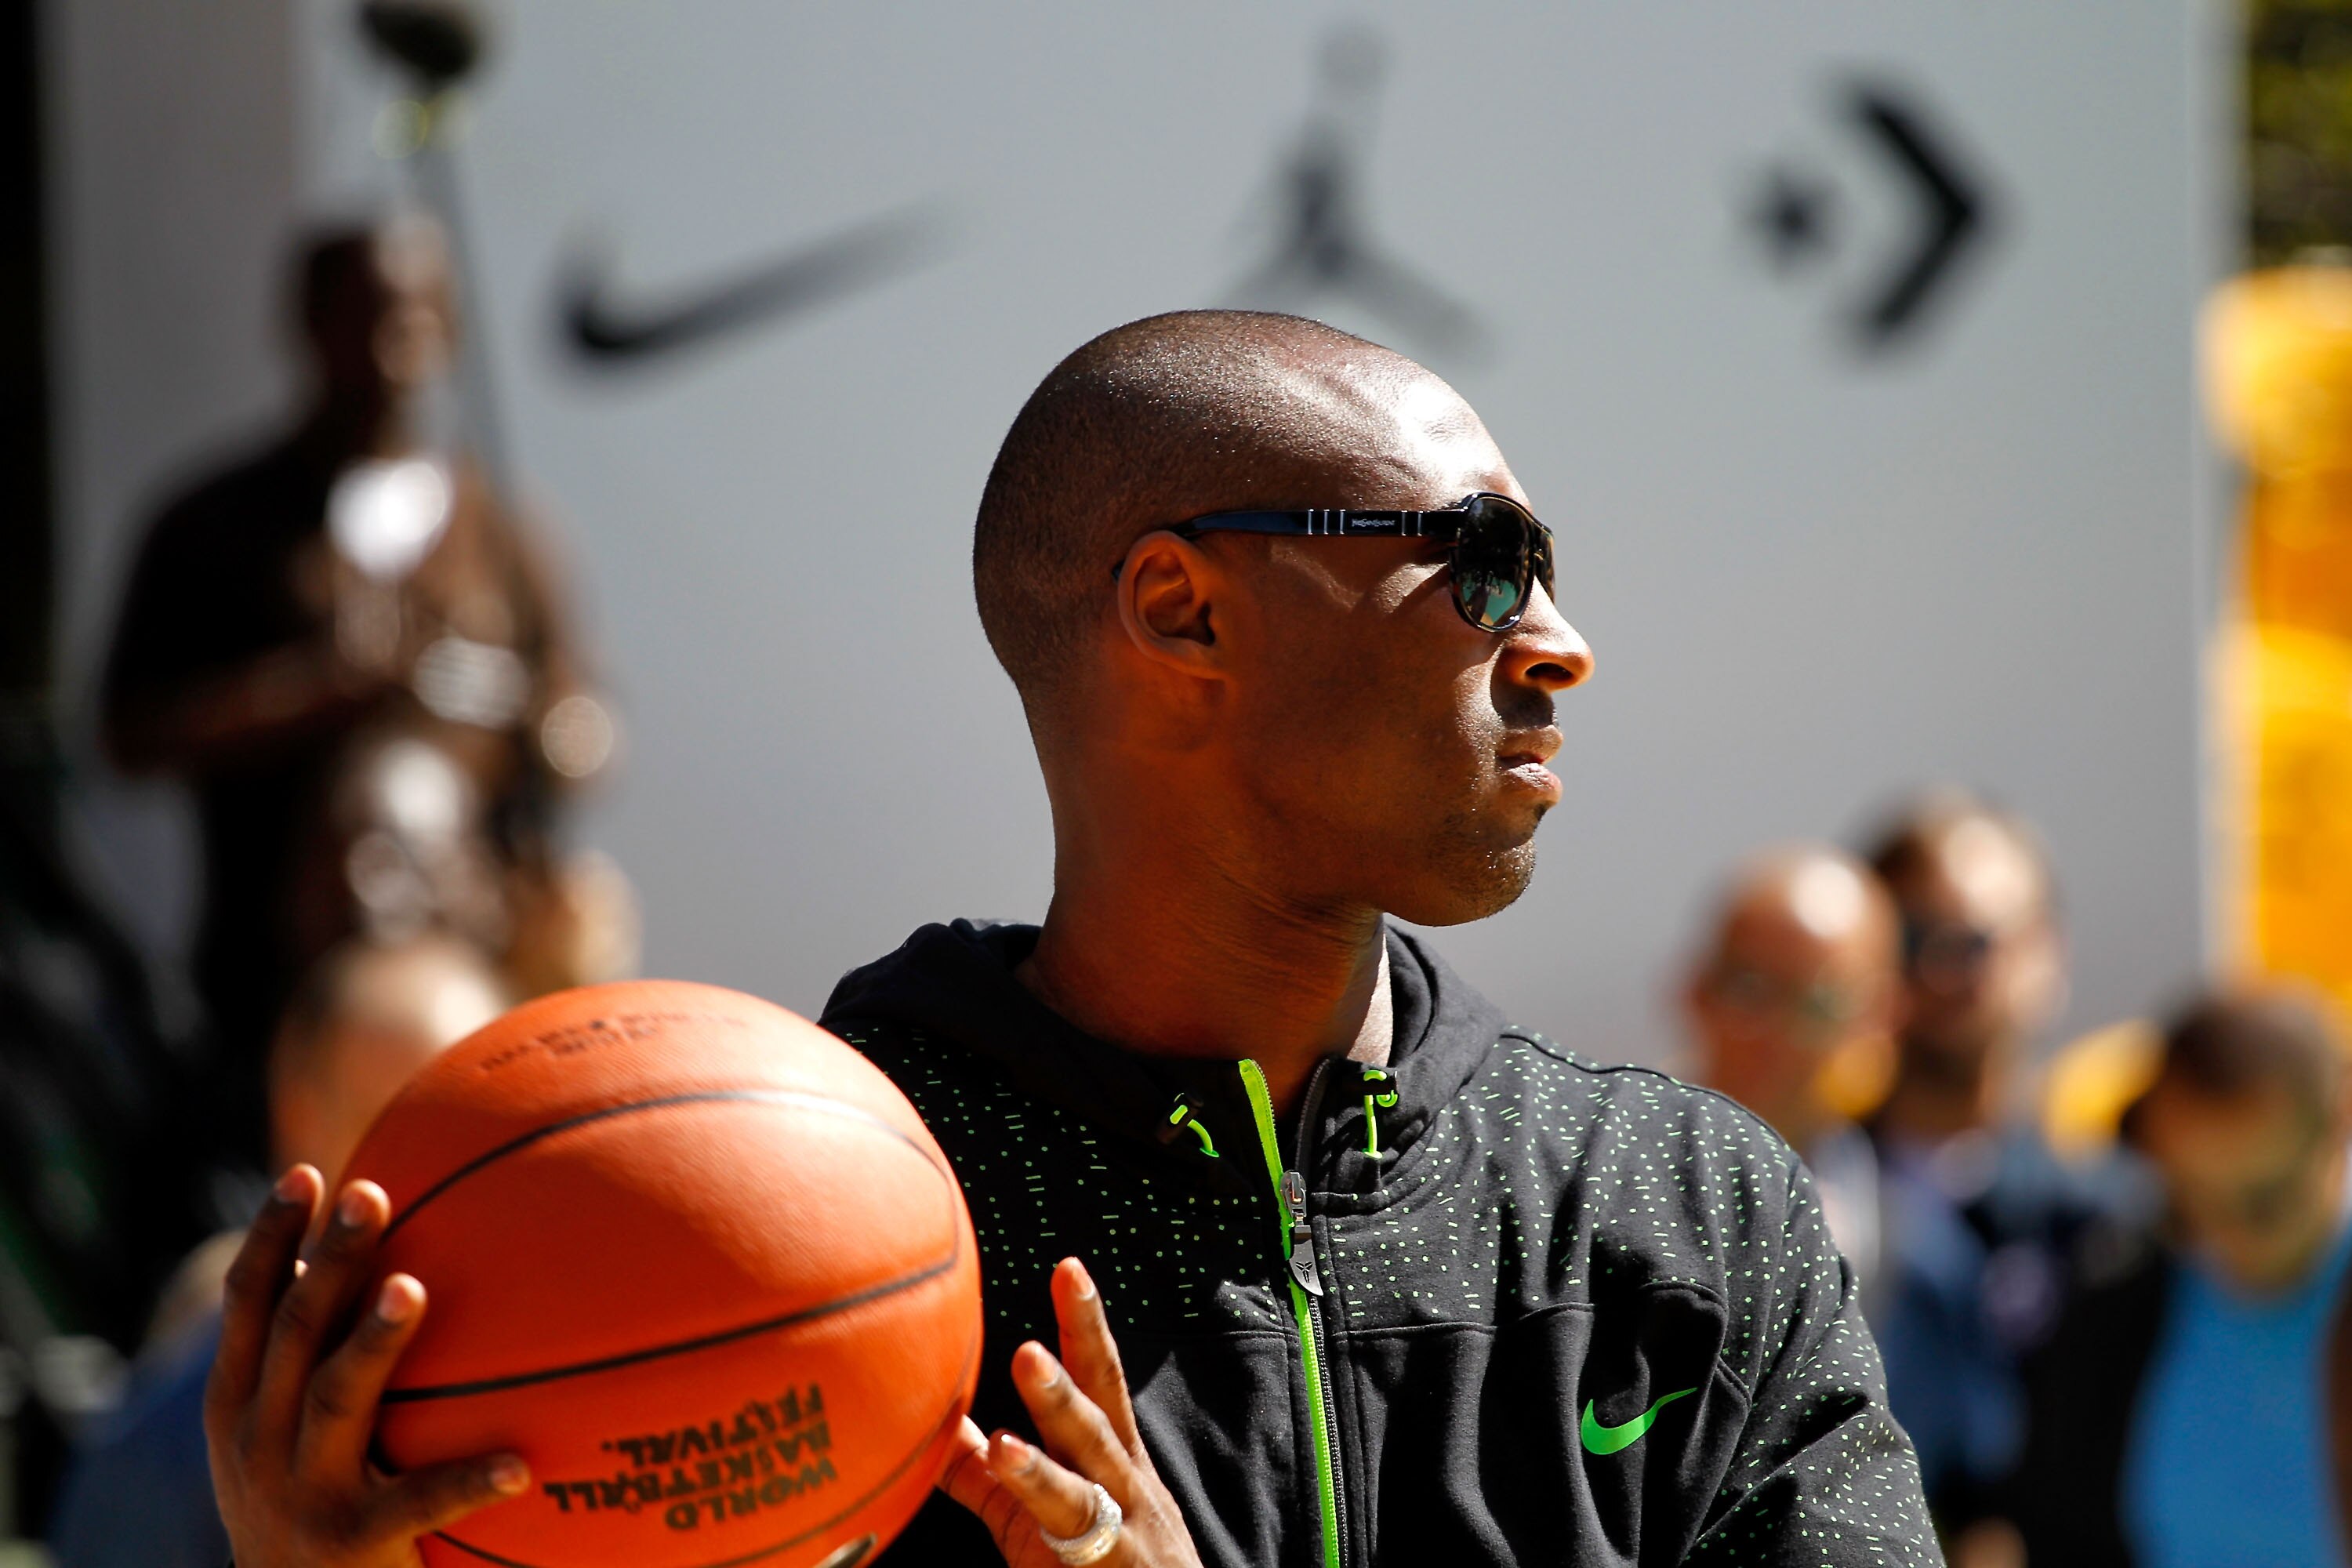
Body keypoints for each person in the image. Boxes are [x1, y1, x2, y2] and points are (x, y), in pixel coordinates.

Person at [203, 310, 1936, 1567]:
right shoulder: (749, 1247)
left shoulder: (1686, 1216)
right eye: (1483, 563)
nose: (1557, 642)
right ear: (1183, 609)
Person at [100, 215, 608, 1172]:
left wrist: (537, 722)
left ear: (452, 329)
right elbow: (127, 734)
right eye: (365, 315)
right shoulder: (216, 523)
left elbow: (584, 726)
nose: (394, 343)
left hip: (470, 989)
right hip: (266, 1002)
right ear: (304, 327)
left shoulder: (504, 532)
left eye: (418, 316)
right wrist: (315, 697)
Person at [46, 935, 507, 1568]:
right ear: (298, 1114)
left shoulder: (585, 1349)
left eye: (483, 1129)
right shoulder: (184, 1435)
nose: (448, 1169)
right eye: (401, 1124)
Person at [1860, 792, 2135, 1541]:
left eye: (1975, 941)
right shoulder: (1801, 1201)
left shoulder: (2128, 1218)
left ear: (2047, 953)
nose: (1945, 971)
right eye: (1915, 938)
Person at [2005, 984, 2352, 1566]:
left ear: (2341, 1123)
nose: (2223, 1239)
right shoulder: (2117, 1295)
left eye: (2263, 1203)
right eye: (2187, 1206)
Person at [1684, 846, 1902, 1287]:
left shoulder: (1916, 1241)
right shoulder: (1613, 1186)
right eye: (1750, 989)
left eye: (1821, 1005)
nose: (1779, 1032)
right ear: (1697, 992)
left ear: (1882, 1017)